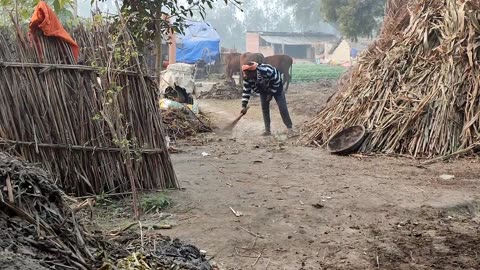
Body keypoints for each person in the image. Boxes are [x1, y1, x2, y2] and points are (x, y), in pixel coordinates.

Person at [240, 61, 293, 136]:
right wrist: (243, 105)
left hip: (276, 86)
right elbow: (246, 91)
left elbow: (277, 80)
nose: (245, 75)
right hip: (262, 89)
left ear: (254, 72)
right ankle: (267, 130)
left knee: (282, 107)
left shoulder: (266, 70)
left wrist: (271, 93)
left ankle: (289, 127)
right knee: (265, 109)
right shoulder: (247, 78)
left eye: (247, 74)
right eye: (244, 73)